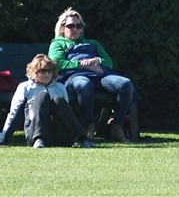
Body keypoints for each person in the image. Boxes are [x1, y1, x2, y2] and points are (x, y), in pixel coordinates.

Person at [48, 8, 135, 143]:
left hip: (100, 76)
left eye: (78, 26)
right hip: (74, 77)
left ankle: (117, 126)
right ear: (62, 28)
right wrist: (81, 64)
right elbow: (57, 64)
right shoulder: (58, 43)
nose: (75, 29)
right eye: (71, 26)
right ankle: (88, 126)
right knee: (84, 84)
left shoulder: (92, 43)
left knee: (125, 84)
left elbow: (109, 62)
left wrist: (97, 61)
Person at [0, 54, 95, 148]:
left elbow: (67, 115)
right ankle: (39, 139)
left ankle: (83, 139)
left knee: (58, 100)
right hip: (34, 133)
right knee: (42, 96)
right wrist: (3, 139)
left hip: (59, 133)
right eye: (43, 71)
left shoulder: (60, 87)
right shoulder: (25, 87)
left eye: (49, 71)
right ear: (34, 72)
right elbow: (14, 113)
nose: (47, 74)